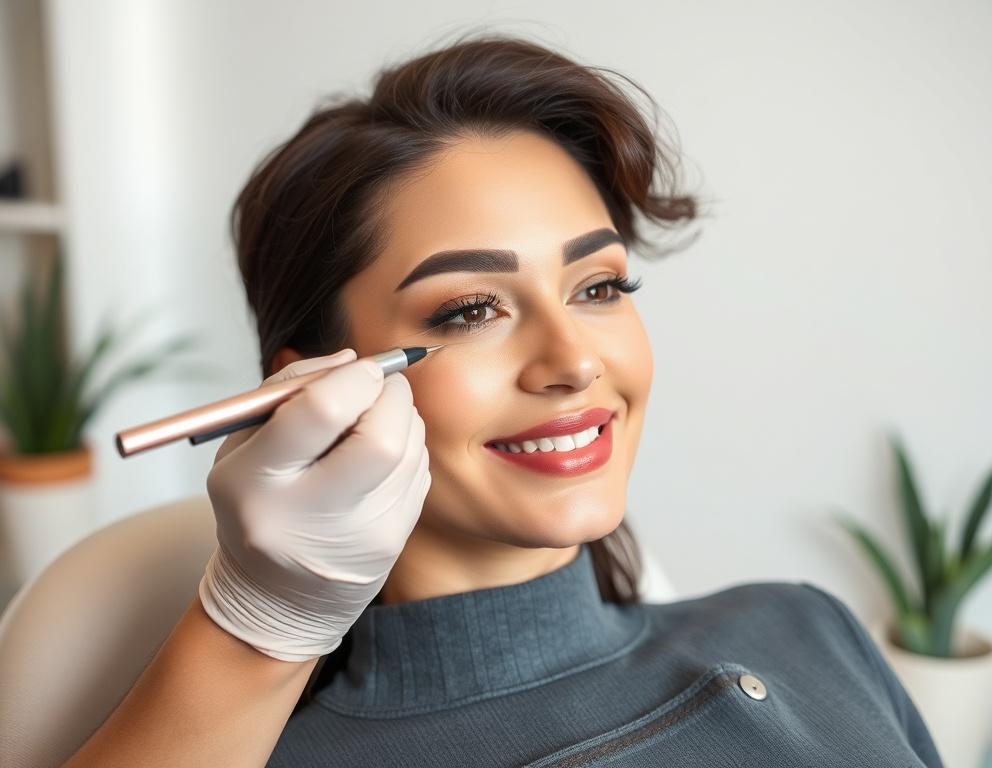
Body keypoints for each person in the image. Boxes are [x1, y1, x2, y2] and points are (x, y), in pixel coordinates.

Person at [63, 31, 944, 767]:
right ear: (315, 387)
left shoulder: (807, 624)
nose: (571, 362)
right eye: (472, 309)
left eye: (598, 288)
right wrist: (258, 627)